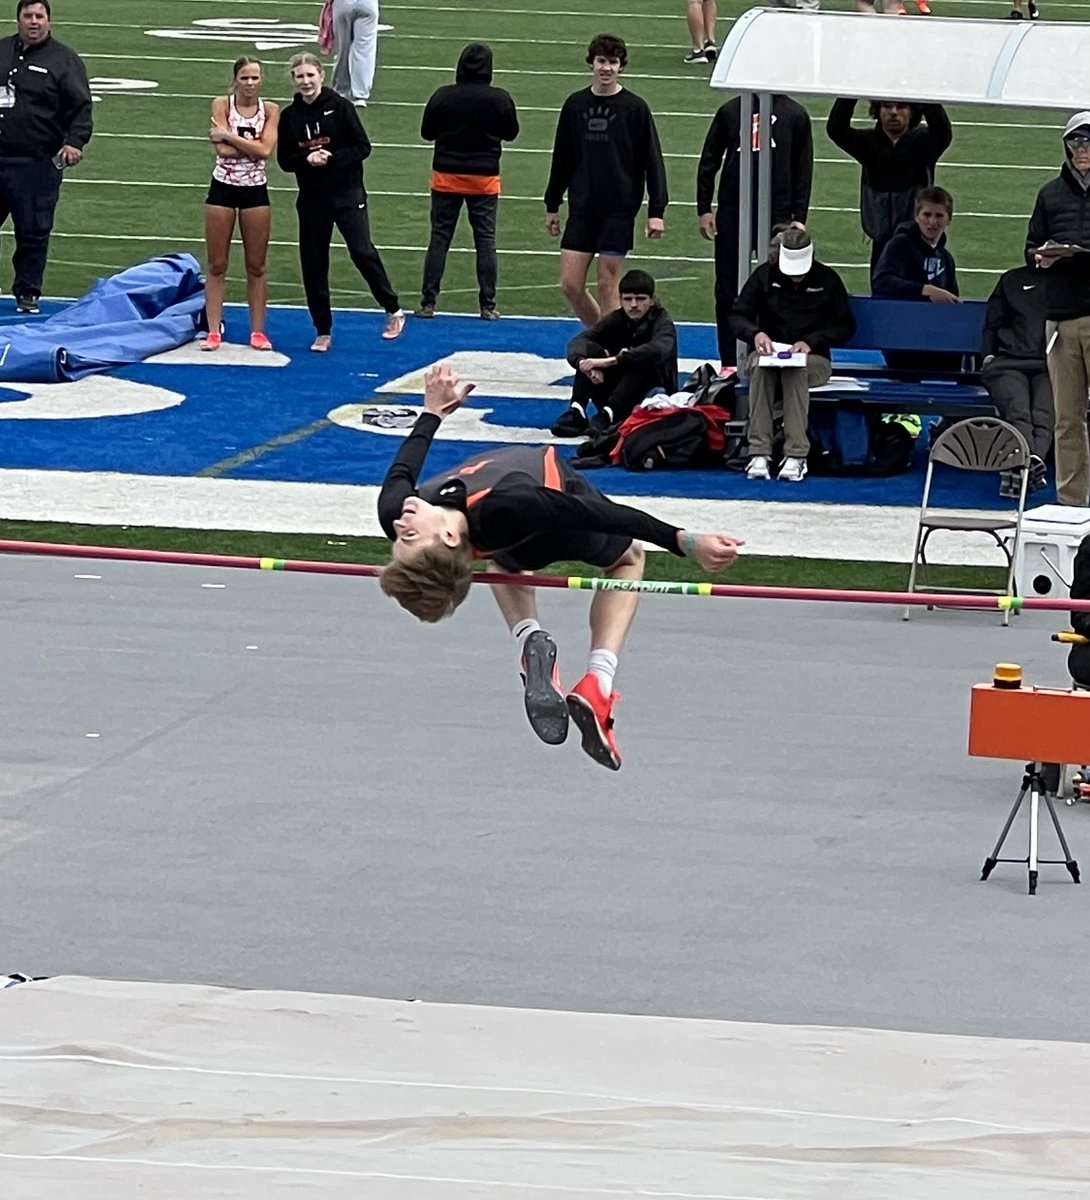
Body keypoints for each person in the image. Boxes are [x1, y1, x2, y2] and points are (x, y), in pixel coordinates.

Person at [377, 362, 744, 771]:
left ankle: (528, 637)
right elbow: (598, 516)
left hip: (503, 538)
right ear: (445, 537)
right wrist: (683, 539)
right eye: (408, 536)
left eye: (398, 537)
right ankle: (598, 681)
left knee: (497, 555)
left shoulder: (399, 511)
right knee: (628, 559)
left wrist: (433, 412)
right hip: (550, 513)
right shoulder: (513, 503)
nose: (398, 524)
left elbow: (403, 468)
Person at [277, 52, 403, 351]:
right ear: (293, 80)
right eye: (300, 76)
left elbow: (362, 147)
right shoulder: (290, 117)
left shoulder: (341, 107)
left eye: (310, 75)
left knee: (362, 251)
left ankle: (392, 308)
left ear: (321, 75)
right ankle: (322, 330)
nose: (306, 81)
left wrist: (331, 159)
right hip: (312, 200)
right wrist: (307, 158)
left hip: (347, 195)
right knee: (314, 263)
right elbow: (284, 160)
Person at [544, 34, 668, 327]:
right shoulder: (575, 105)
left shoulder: (634, 108)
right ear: (591, 64)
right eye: (602, 61)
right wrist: (552, 204)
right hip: (583, 206)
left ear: (621, 67)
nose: (606, 68)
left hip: (619, 209)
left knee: (606, 284)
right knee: (570, 284)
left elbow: (652, 160)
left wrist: (656, 212)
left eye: (613, 62)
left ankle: (609, 353)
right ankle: (604, 336)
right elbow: (562, 157)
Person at [696, 93, 813, 371]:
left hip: (778, 215)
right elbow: (709, 158)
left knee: (778, 288)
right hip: (733, 211)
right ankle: (729, 361)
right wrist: (704, 208)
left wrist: (799, 216)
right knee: (726, 289)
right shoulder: (731, 110)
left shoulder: (795, 115)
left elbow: (803, 167)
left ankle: (773, 355)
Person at [729, 227, 856, 482]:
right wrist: (756, 334)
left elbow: (846, 326)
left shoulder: (827, 279)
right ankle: (759, 452)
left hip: (813, 359)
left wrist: (811, 341)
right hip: (767, 353)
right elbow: (736, 315)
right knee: (762, 369)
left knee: (794, 371)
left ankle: (797, 453)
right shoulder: (764, 276)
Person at [0, 0, 91, 315]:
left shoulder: (64, 60)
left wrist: (75, 141)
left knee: (33, 230)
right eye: (28, 16)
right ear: (18, 19)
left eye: (39, 16)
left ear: (49, 21)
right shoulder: (1, 51)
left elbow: (80, 105)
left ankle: (27, 292)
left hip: (37, 162)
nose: (34, 21)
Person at [416, 43, 519, 321]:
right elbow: (511, 133)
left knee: (439, 238)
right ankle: (487, 304)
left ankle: (428, 302)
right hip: (484, 178)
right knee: (485, 241)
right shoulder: (499, 99)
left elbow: (427, 133)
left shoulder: (443, 96)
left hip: (446, 176)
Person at [1026, 112, 1090, 506]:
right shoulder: (1050, 194)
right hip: (1061, 316)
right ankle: (1072, 501)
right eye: (1076, 142)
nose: (1082, 149)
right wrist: (1042, 256)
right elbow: (1030, 246)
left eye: (1088, 142)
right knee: (1067, 418)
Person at [826, 97, 951, 284]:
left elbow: (943, 132)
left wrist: (923, 93)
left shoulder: (923, 143)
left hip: (918, 242)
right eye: (887, 106)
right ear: (878, 110)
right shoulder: (868, 143)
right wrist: (850, 91)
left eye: (901, 107)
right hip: (881, 240)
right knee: (882, 291)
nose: (893, 112)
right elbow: (836, 129)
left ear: (912, 112)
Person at [202, 57, 279, 352]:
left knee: (256, 265)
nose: (250, 83)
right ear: (235, 79)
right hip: (223, 187)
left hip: (255, 190)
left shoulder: (270, 110)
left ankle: (257, 331)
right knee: (217, 263)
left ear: (262, 80)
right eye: (245, 78)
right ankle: (213, 330)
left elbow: (265, 150)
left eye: (255, 78)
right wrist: (247, 146)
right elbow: (221, 151)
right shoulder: (221, 104)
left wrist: (230, 137)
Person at [550, 269, 678, 437]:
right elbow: (580, 341)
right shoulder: (617, 319)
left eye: (640, 299)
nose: (633, 305)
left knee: (640, 360)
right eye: (628, 299)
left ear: (652, 301)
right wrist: (583, 363)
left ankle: (609, 414)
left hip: (651, 395)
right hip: (619, 390)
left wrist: (612, 361)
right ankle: (577, 411)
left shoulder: (662, 322)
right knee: (590, 352)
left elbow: (659, 349)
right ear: (621, 300)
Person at [981, 264, 1051, 498]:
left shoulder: (1072, 284)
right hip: (1007, 363)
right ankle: (1031, 465)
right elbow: (992, 323)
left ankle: (1025, 466)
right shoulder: (1012, 280)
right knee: (1018, 410)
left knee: (1043, 414)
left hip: (1051, 365)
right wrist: (988, 356)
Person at [872, 186, 959, 302]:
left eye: (939, 216)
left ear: (949, 220)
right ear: (916, 217)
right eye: (927, 215)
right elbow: (881, 281)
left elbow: (952, 297)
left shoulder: (946, 259)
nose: (932, 222)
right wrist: (925, 290)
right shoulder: (899, 245)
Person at [331, 0, 379, 107]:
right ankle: (360, 95)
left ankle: (340, 90)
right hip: (368, 4)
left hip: (342, 4)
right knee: (364, 50)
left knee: (342, 50)